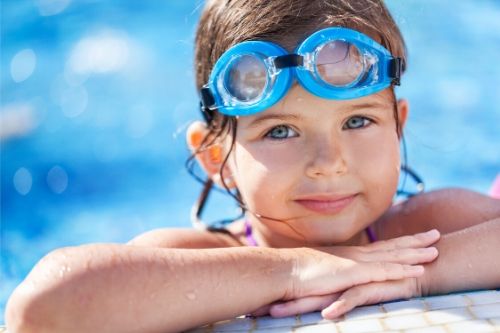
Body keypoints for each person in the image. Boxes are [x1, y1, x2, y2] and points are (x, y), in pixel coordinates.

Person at [5, 0, 500, 332]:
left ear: (398, 126)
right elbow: (42, 309)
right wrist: (291, 269)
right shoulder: (193, 256)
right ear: (217, 159)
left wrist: (421, 277)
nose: (329, 163)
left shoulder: (424, 232)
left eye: (357, 121)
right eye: (280, 131)